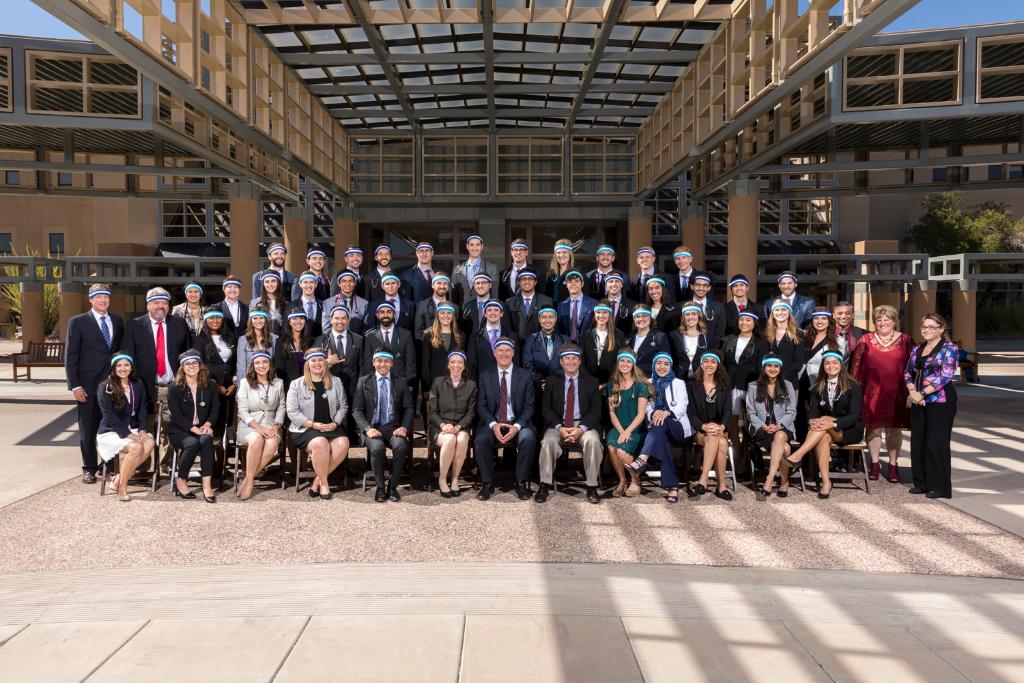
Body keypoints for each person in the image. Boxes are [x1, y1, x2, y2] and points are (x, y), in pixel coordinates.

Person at [850, 304, 916, 482]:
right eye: (879, 320)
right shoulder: (866, 339)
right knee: (873, 429)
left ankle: (893, 465)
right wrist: (853, 390)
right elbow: (855, 366)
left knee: (894, 430)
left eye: (887, 319)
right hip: (871, 393)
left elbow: (915, 367)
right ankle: (874, 463)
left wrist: (914, 391)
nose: (883, 322)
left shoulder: (906, 340)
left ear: (894, 322)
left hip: (898, 393)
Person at [785, 352, 864, 499]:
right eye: (827, 363)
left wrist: (831, 422)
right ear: (823, 366)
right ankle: (826, 482)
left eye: (835, 362)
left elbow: (854, 416)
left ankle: (798, 455)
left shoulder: (854, 386)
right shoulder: (817, 387)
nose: (831, 366)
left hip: (849, 429)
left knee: (824, 423)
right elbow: (813, 413)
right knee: (823, 435)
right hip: (825, 430)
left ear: (841, 365)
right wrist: (812, 421)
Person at [66, 283, 124, 483]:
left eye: (106, 296)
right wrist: (75, 385)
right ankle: (89, 468)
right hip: (88, 387)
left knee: (111, 427)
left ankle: (107, 466)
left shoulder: (117, 321)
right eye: (99, 296)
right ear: (91, 299)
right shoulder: (78, 322)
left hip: (112, 385)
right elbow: (71, 356)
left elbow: (118, 352)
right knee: (88, 430)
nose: (103, 300)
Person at [537, 344, 603, 504]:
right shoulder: (552, 381)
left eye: (574, 358)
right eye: (567, 358)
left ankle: (592, 486)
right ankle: (544, 484)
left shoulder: (591, 382)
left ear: (580, 361)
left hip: (583, 424)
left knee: (593, 441)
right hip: (558, 424)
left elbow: (596, 411)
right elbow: (546, 410)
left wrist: (581, 429)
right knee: (548, 441)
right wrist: (560, 428)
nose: (571, 362)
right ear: (561, 362)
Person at [474, 337, 538, 501]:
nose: (504, 354)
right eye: (500, 350)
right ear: (494, 353)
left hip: (516, 422)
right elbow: (481, 406)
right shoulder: (485, 375)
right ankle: (488, 483)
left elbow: (529, 406)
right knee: (480, 439)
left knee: (528, 437)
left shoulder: (525, 375)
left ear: (513, 353)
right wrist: (493, 424)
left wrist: (516, 426)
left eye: (507, 350)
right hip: (493, 422)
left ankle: (521, 481)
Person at [904, 313, 959, 499]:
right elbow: (907, 372)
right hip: (918, 400)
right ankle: (921, 483)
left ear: (941, 329)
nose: (927, 330)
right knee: (918, 441)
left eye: (931, 327)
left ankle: (940, 487)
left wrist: (922, 393)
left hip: (941, 401)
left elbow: (945, 376)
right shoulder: (917, 348)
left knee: (936, 442)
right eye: (924, 327)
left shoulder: (949, 349)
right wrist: (912, 392)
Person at [286, 348, 351, 499]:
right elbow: (292, 412)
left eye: (320, 360)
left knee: (343, 442)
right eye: (313, 361)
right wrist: (313, 425)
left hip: (331, 426)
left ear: (325, 363)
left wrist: (336, 423)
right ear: (307, 364)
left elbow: (343, 406)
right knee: (321, 443)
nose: (317, 363)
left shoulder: (336, 381)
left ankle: (317, 481)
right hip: (306, 429)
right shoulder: (296, 384)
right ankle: (325, 485)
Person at [627, 353, 692, 503]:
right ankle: (672, 487)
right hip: (658, 430)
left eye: (666, 364)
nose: (662, 367)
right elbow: (646, 409)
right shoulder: (647, 383)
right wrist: (653, 414)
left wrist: (667, 413)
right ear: (654, 365)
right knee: (661, 437)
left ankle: (642, 458)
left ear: (670, 366)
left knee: (662, 422)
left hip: (678, 427)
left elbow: (682, 407)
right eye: (659, 363)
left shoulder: (678, 383)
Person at [352, 350, 414, 502]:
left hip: (393, 427)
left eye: (386, 361)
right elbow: (357, 410)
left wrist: (404, 427)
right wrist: (367, 428)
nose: (382, 364)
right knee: (378, 448)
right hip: (373, 427)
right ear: (373, 362)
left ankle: (392, 486)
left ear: (391, 363)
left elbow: (409, 408)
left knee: (401, 446)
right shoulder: (364, 381)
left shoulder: (400, 382)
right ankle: (380, 487)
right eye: (379, 361)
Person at [121, 287, 192, 409]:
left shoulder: (179, 323)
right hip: (146, 387)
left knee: (174, 425)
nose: (161, 306)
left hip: (175, 386)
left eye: (164, 303)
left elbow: (189, 353)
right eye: (156, 303)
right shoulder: (134, 325)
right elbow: (128, 357)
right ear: (148, 305)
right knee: (147, 425)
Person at [96, 354, 154, 502]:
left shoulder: (137, 384)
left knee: (149, 443)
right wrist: (128, 434)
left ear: (131, 367)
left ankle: (118, 479)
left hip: (133, 428)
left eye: (126, 365)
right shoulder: (105, 387)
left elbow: (143, 408)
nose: (123, 368)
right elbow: (109, 416)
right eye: (119, 365)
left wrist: (142, 428)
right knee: (136, 448)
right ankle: (123, 487)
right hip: (111, 430)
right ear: (114, 368)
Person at [166, 350, 220, 502]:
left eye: (194, 363)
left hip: (202, 427)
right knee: (193, 442)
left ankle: (207, 486)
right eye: (187, 364)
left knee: (206, 440)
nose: (191, 366)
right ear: (182, 367)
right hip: (180, 430)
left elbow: (215, 409)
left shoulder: (210, 385)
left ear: (200, 365)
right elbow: (176, 416)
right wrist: (195, 429)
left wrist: (208, 424)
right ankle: (181, 479)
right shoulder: (174, 388)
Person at [235, 351, 285, 500]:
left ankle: (247, 480)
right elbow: (242, 411)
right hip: (249, 426)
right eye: (257, 363)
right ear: (253, 365)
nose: (261, 366)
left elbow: (282, 406)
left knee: (271, 443)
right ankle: (250, 482)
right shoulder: (245, 383)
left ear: (270, 365)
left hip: (271, 425)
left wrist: (276, 427)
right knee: (257, 439)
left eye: (265, 362)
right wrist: (260, 429)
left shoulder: (278, 383)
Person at [747, 356, 798, 500]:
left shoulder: (787, 385)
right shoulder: (753, 386)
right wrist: (763, 425)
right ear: (764, 368)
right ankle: (784, 482)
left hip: (784, 426)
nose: (772, 369)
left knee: (780, 435)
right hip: (761, 428)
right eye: (769, 366)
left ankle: (769, 480)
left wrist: (779, 425)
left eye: (776, 366)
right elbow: (751, 413)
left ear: (780, 369)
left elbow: (792, 412)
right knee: (786, 449)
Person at [428, 350, 477, 497]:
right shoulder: (438, 382)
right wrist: (443, 425)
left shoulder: (471, 385)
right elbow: (432, 412)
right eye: (453, 362)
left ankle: (455, 479)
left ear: (464, 366)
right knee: (450, 439)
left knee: (461, 438)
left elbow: (471, 412)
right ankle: (443, 479)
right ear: (448, 365)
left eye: (460, 362)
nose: (456, 365)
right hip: (439, 426)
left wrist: (458, 427)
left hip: (461, 426)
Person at [603, 350, 651, 498]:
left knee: (622, 452)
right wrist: (621, 430)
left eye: (628, 361)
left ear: (633, 364)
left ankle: (635, 481)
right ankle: (622, 480)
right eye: (622, 361)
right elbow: (612, 413)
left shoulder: (641, 385)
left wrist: (627, 431)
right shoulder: (612, 384)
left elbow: (641, 414)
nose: (625, 364)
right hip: (618, 426)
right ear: (618, 363)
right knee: (611, 447)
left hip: (635, 428)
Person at [686, 351, 733, 501]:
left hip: (720, 428)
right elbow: (690, 412)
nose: (709, 365)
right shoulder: (692, 385)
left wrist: (723, 426)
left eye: (713, 362)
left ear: (718, 365)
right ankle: (720, 485)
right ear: (701, 364)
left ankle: (704, 481)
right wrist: (704, 426)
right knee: (718, 440)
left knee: (722, 442)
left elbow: (727, 410)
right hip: (700, 429)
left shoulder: (724, 385)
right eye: (706, 361)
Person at [362, 302, 418, 393]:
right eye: (382, 312)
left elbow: (410, 363)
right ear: (377, 315)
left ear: (394, 314)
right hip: (377, 384)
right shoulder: (370, 336)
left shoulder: (405, 334)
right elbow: (368, 364)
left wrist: (408, 385)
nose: (385, 315)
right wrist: (369, 385)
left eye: (389, 312)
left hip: (400, 384)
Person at [195, 309, 236, 429]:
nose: (215, 321)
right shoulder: (199, 339)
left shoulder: (230, 337)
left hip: (229, 386)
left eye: (218, 317)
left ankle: (226, 447)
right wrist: (215, 386)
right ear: (205, 320)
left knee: (227, 421)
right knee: (212, 420)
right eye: (211, 318)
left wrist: (234, 383)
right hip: (210, 385)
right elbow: (199, 366)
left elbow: (235, 361)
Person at [317, 304, 363, 404]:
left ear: (348, 320)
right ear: (331, 319)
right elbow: (312, 367)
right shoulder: (321, 340)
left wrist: (359, 388)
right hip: (329, 390)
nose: (340, 321)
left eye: (343, 318)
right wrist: (327, 363)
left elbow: (362, 366)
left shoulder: (358, 340)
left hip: (353, 391)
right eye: (337, 318)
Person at [466, 299, 516, 380]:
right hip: (482, 383)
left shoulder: (512, 336)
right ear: (485, 314)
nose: (493, 313)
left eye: (496, 310)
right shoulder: (475, 337)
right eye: (489, 310)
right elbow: (471, 365)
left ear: (502, 313)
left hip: (506, 382)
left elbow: (516, 363)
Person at [522, 307, 569, 392]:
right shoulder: (531, 339)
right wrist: (541, 381)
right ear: (539, 319)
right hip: (536, 387)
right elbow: (527, 364)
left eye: (551, 317)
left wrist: (553, 381)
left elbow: (568, 364)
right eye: (544, 317)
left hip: (560, 386)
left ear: (556, 319)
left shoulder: (565, 340)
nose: (547, 320)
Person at [581, 302, 626, 387]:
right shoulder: (586, 335)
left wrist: (610, 382)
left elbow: (621, 361)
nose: (601, 315)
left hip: (611, 383)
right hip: (589, 383)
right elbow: (581, 361)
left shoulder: (618, 335)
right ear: (594, 314)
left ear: (609, 314)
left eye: (605, 312)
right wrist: (589, 380)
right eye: (598, 312)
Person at [421, 304, 463, 392]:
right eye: (442, 313)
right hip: (435, 385)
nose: (446, 316)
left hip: (456, 385)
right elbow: (425, 363)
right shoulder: (429, 336)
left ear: (453, 316)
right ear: (437, 315)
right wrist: (426, 388)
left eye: (449, 313)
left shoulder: (461, 336)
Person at [670, 303, 719, 376]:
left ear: (699, 316)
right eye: (687, 314)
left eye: (694, 314)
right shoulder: (674, 335)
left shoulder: (708, 336)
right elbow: (671, 358)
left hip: (701, 377)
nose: (690, 317)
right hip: (680, 376)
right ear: (683, 317)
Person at [765, 300, 806, 387]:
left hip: (789, 382)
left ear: (789, 312)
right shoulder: (765, 334)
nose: (780, 312)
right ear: (772, 313)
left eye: (783, 309)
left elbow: (798, 363)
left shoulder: (798, 334)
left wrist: (782, 379)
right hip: (768, 383)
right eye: (776, 310)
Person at [802, 308, 847, 386]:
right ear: (812, 320)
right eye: (816, 318)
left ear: (829, 321)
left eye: (824, 318)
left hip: (821, 382)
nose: (820, 322)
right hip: (799, 381)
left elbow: (837, 365)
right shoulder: (804, 337)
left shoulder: (838, 340)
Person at [505, 269, 552, 343]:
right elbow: (507, 327)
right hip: (516, 345)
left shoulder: (546, 301)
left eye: (530, 279)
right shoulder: (510, 302)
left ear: (535, 282)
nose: (527, 282)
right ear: (519, 283)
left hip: (539, 345)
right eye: (523, 279)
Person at [453, 234, 499, 307]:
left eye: (477, 245)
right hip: (463, 313)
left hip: (484, 312)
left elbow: (494, 295)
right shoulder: (457, 270)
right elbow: (454, 298)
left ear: (482, 247)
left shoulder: (492, 269)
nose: (475, 248)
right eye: (471, 245)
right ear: (467, 246)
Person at [273, 310, 313, 389]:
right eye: (294, 318)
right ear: (289, 322)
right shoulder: (280, 342)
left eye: (301, 318)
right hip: (289, 386)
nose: (298, 321)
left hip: (308, 385)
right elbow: (279, 367)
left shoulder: (311, 341)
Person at [323, 270, 369, 336]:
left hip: (357, 343)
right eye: (344, 281)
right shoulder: (328, 303)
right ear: (339, 283)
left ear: (355, 283)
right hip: (335, 343)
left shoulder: (364, 303)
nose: (347, 284)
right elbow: (326, 329)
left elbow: (365, 329)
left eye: (350, 281)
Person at [236, 309, 277, 382]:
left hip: (269, 380)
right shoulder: (242, 340)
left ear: (265, 320)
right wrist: (242, 386)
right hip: (249, 381)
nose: (258, 321)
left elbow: (275, 364)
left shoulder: (275, 339)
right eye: (255, 318)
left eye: (261, 318)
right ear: (250, 320)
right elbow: (241, 367)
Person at [556, 270, 596, 344]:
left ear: (582, 284)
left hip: (587, 346)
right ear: (566, 285)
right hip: (567, 346)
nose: (573, 284)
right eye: (570, 282)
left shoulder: (593, 303)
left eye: (576, 281)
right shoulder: (561, 306)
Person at [413, 272, 454, 341]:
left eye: (445, 283)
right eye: (439, 283)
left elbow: (456, 331)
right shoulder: (422, 305)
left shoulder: (455, 307)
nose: (442, 286)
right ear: (432, 285)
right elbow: (418, 334)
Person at [689, 273, 727, 340]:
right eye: (698, 285)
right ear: (692, 286)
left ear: (709, 288)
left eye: (705, 285)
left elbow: (720, 333)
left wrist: (711, 349)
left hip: (711, 349)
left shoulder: (719, 307)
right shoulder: (682, 307)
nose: (701, 288)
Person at [251, 271, 286, 336]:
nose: (270, 284)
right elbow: (251, 326)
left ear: (278, 283)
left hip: (280, 342)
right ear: (263, 284)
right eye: (267, 282)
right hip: (262, 342)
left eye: (273, 281)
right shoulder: (254, 303)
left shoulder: (285, 304)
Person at [292, 271, 325, 339]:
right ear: (300, 284)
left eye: (311, 282)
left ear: (316, 284)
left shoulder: (324, 305)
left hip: (319, 346)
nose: (309, 285)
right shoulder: (290, 306)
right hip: (299, 346)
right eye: (305, 282)